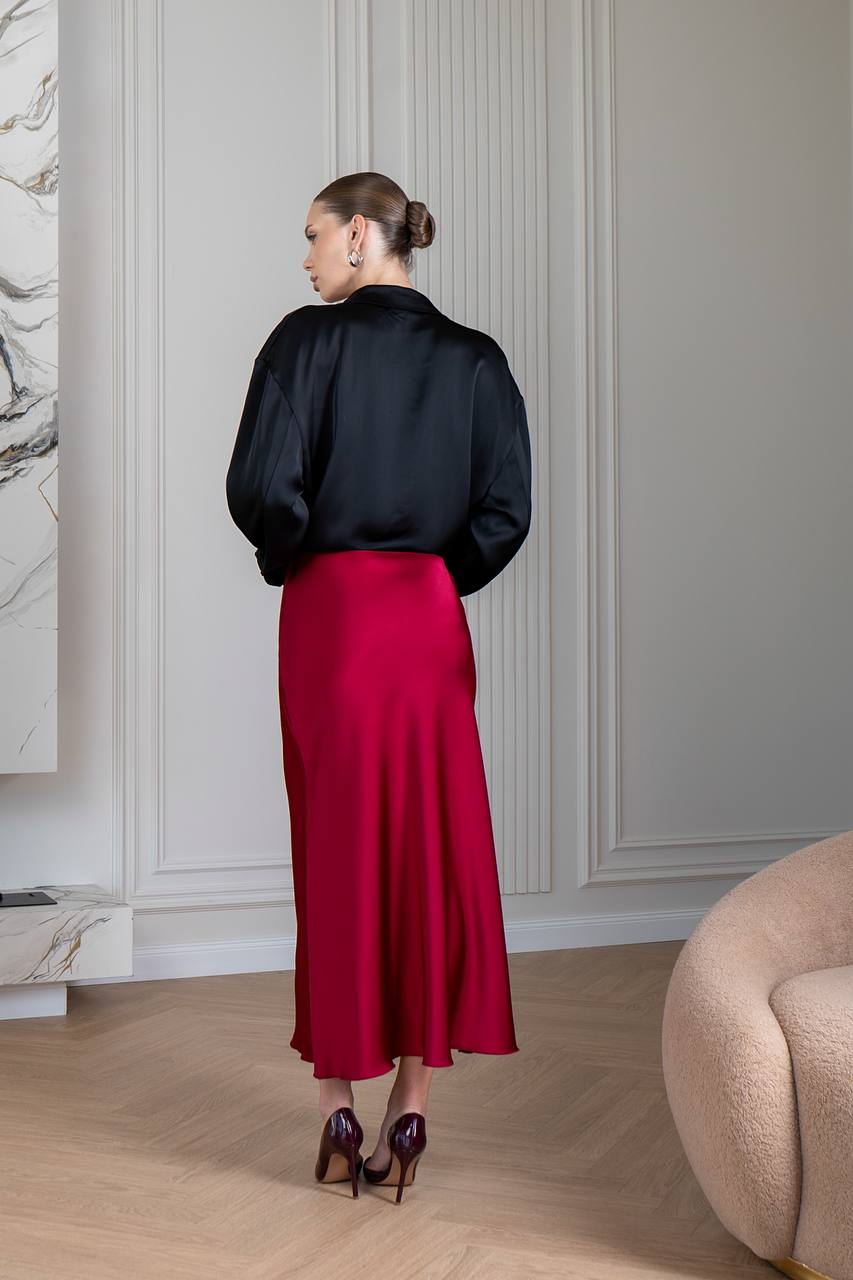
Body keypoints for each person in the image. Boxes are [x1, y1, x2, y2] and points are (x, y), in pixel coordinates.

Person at [225, 171, 532, 1203]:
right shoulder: (477, 360)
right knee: (428, 852)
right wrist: (432, 574)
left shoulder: (302, 345)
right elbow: (505, 509)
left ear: (361, 235)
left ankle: (337, 1104)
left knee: (338, 851)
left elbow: (259, 489)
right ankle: (413, 1101)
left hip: (332, 619)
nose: (305, 257)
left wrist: (306, 556)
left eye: (314, 236)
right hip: (426, 622)